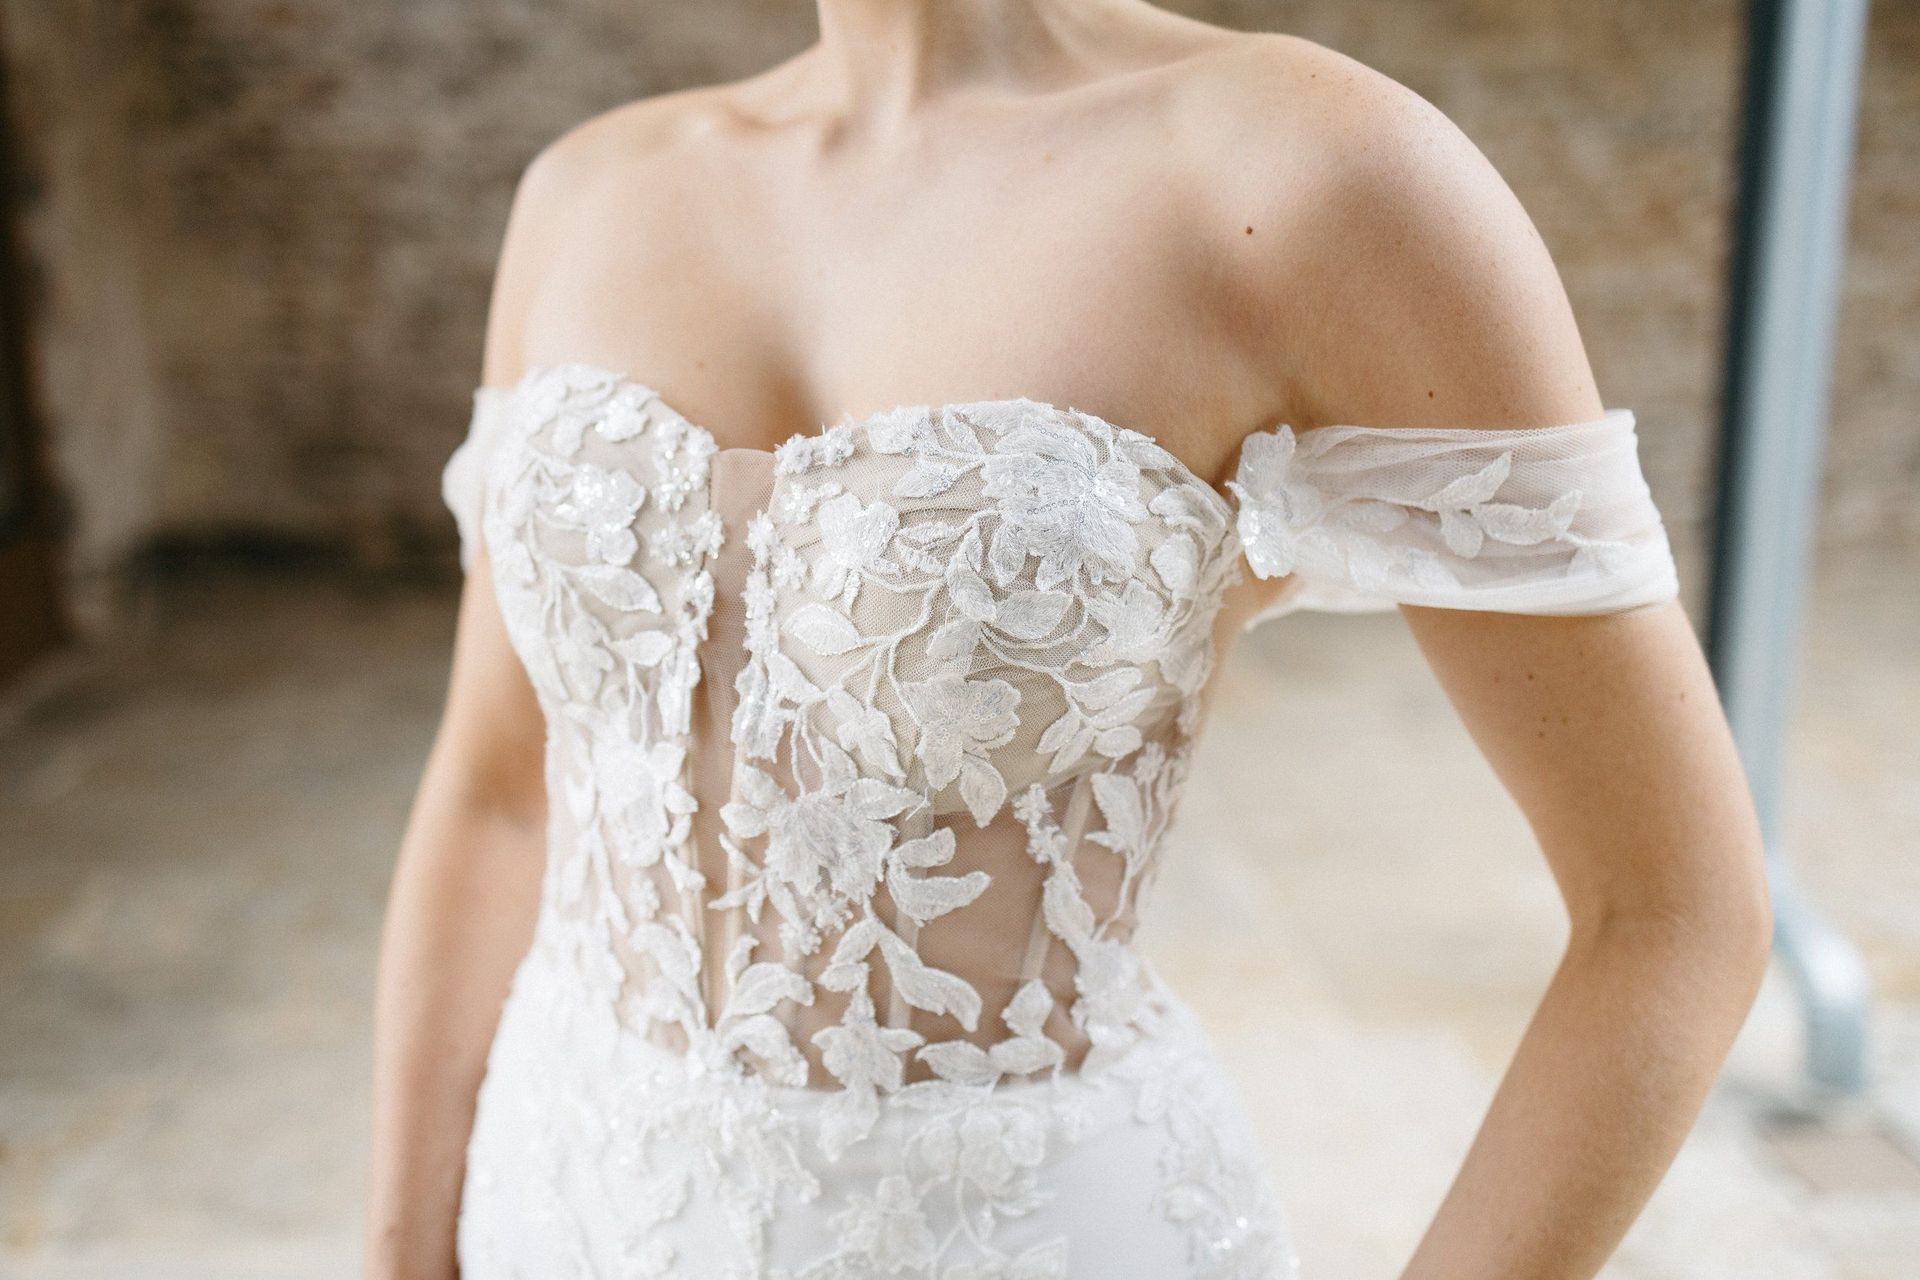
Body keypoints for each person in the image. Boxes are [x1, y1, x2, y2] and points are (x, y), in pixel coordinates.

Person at [364, 2, 1773, 1276]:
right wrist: (401, 1252)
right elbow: (495, 797)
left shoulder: (1310, 175)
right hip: (556, 1205)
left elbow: (1673, 912)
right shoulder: (593, 190)